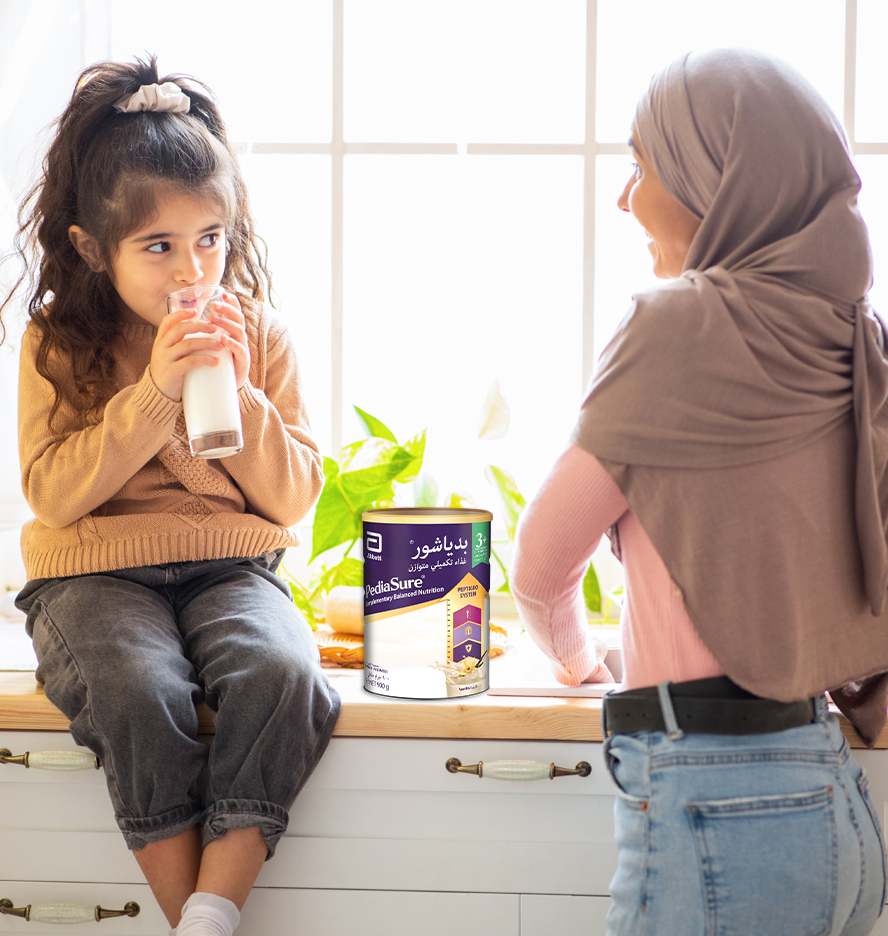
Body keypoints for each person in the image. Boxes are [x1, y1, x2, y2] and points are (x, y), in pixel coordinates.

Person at [511, 48, 888, 936]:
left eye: (643, 166)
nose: (626, 198)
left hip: (714, 800)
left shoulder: (674, 328)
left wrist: (578, 664)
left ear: (713, 184)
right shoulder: (854, 338)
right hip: (835, 806)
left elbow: (541, 569)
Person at [0, 58, 341, 936]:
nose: (194, 269)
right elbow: (53, 494)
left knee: (282, 673)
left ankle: (209, 916)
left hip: (229, 570)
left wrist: (241, 390)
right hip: (96, 576)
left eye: (211, 239)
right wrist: (155, 391)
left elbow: (293, 498)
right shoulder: (58, 341)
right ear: (92, 248)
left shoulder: (258, 332)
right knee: (135, 685)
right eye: (159, 247)